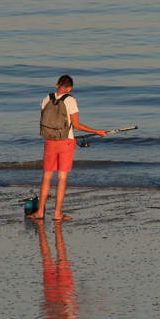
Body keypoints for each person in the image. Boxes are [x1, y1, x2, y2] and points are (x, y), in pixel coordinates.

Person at [27, 75, 106, 221]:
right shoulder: (71, 100)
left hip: (50, 141)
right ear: (70, 88)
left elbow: (44, 120)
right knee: (62, 177)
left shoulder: (46, 99)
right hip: (66, 142)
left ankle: (40, 212)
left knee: (46, 177)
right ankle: (57, 213)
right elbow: (76, 125)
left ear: (57, 85)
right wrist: (97, 131)